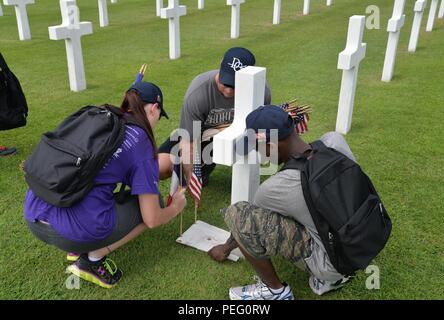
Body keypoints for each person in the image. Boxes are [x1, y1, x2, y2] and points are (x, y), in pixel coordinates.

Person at [23, 82, 187, 289]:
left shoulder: (99, 115)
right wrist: (175, 208)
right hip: (69, 233)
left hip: (33, 214)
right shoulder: (140, 141)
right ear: (154, 108)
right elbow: (152, 219)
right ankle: (93, 258)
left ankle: (78, 246)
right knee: (155, 205)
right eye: (158, 115)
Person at [220, 105, 358, 300]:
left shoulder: (275, 188)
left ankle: (276, 291)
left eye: (258, 148)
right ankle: (337, 273)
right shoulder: (333, 141)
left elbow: (248, 226)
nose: (261, 155)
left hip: (333, 263)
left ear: (270, 144)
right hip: (362, 241)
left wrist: (225, 248)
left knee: (239, 214)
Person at [158, 47, 271, 184]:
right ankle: (203, 170)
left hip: (234, 139)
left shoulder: (261, 91)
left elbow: (260, 131)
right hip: (200, 138)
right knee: (160, 167)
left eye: (235, 85)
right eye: (226, 82)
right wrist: (193, 181)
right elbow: (189, 142)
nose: (229, 90)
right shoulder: (198, 92)